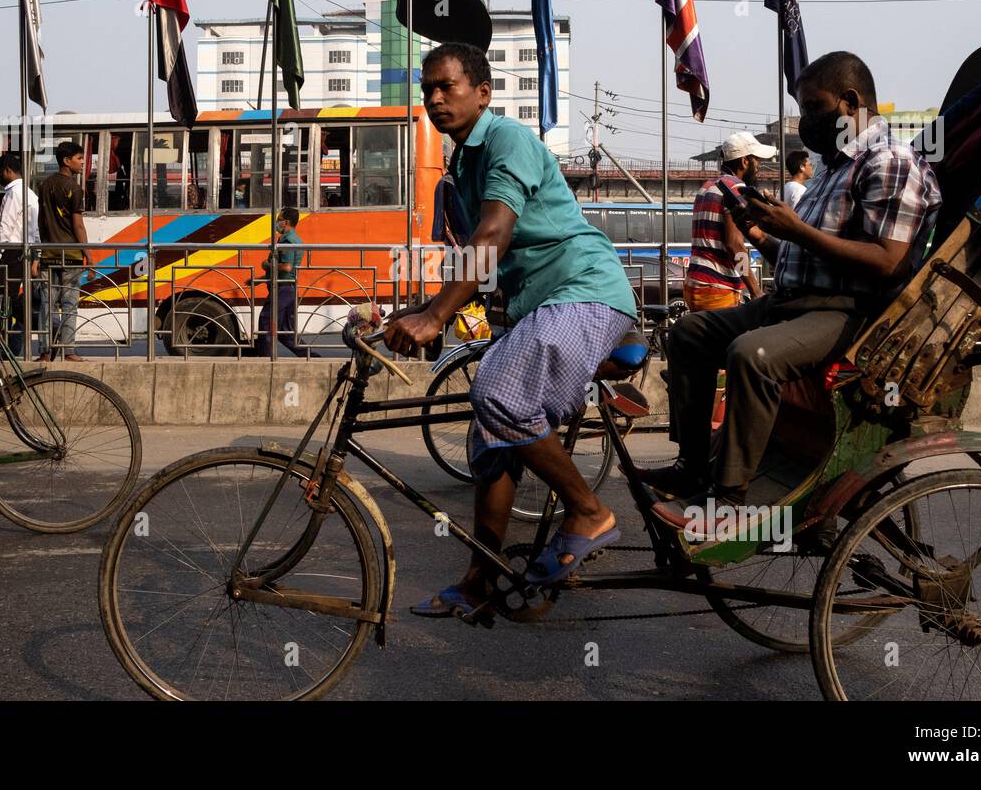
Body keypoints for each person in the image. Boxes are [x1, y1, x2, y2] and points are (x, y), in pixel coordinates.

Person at [384, 42, 638, 616]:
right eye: (427, 89)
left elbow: (493, 236)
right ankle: (481, 578)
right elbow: (478, 257)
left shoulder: (508, 140)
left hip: (585, 292)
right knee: (491, 436)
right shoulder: (462, 162)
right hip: (542, 305)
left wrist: (437, 316)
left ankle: (589, 510)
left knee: (497, 391)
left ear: (483, 92)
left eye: (447, 86)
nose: (435, 98)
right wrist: (418, 309)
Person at [651, 52, 941, 534]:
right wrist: (765, 234)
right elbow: (808, 255)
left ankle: (730, 496)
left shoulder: (890, 161)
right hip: (790, 302)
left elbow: (889, 260)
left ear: (850, 102)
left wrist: (797, 231)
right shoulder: (833, 168)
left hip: (847, 314)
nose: (807, 121)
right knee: (689, 333)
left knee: (753, 354)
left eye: (814, 107)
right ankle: (692, 465)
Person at [683, 132, 772, 311]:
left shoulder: (708, 186)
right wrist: (755, 290)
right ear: (744, 162)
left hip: (695, 281)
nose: (759, 167)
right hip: (718, 287)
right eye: (757, 161)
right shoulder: (735, 189)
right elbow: (735, 245)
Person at [0, 154, 40, 357]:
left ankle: (42, 324)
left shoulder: (14, 193)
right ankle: (10, 344)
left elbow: (5, 227)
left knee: (5, 301)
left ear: (8, 170)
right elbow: (35, 231)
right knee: (9, 300)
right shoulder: (30, 194)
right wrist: (36, 255)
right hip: (24, 252)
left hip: (13, 252)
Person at [37, 141, 89, 362]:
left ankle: (46, 352)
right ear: (67, 161)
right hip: (72, 255)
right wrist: (89, 254)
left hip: (49, 254)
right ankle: (69, 351)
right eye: (79, 158)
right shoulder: (75, 189)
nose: (83, 162)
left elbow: (41, 222)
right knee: (69, 304)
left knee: (47, 305)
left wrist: (41, 250)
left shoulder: (45, 185)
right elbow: (78, 225)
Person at [254, 206, 319, 357]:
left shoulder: (288, 241)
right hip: (288, 288)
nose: (277, 223)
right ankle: (311, 356)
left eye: (279, 220)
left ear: (286, 222)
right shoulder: (292, 239)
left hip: (282, 289)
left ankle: (265, 358)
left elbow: (287, 267)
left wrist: (266, 264)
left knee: (266, 319)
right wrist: (260, 279)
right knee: (286, 332)